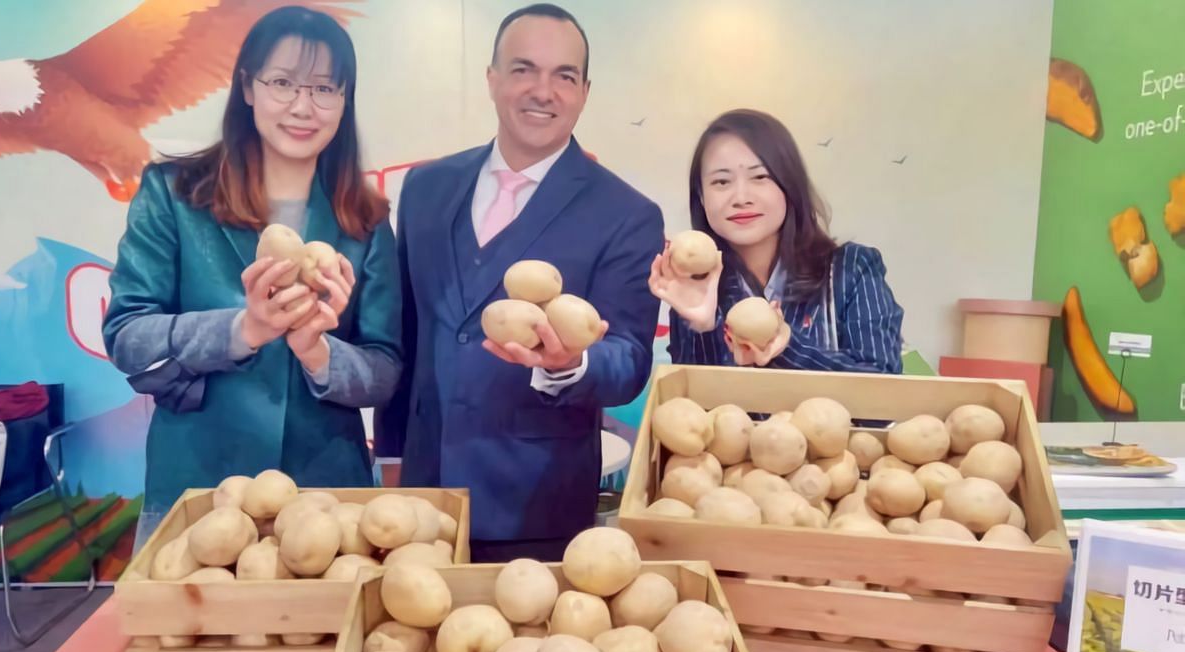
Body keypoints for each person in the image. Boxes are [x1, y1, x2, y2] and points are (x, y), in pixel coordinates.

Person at [373, 3, 664, 562]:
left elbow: (628, 358)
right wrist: (392, 458)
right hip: (421, 498)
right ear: (492, 79)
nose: (543, 90)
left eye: (564, 76)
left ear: (583, 91)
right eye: (524, 69)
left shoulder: (627, 214)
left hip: (538, 505)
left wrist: (569, 364)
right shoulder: (427, 188)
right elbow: (405, 329)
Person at [103, 7, 401, 511]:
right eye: (283, 82)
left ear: (344, 100)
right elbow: (128, 336)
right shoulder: (174, 195)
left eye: (325, 88)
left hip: (324, 492)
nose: (303, 107)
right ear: (248, 87)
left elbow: (385, 368)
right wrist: (243, 330)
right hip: (199, 484)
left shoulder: (364, 220)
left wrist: (319, 353)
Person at [649, 109, 904, 372]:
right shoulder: (694, 287)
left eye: (760, 177)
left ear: (789, 184)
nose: (741, 197)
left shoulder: (852, 269)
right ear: (701, 198)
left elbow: (883, 389)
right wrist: (701, 327)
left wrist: (786, 348)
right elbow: (691, 409)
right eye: (721, 181)